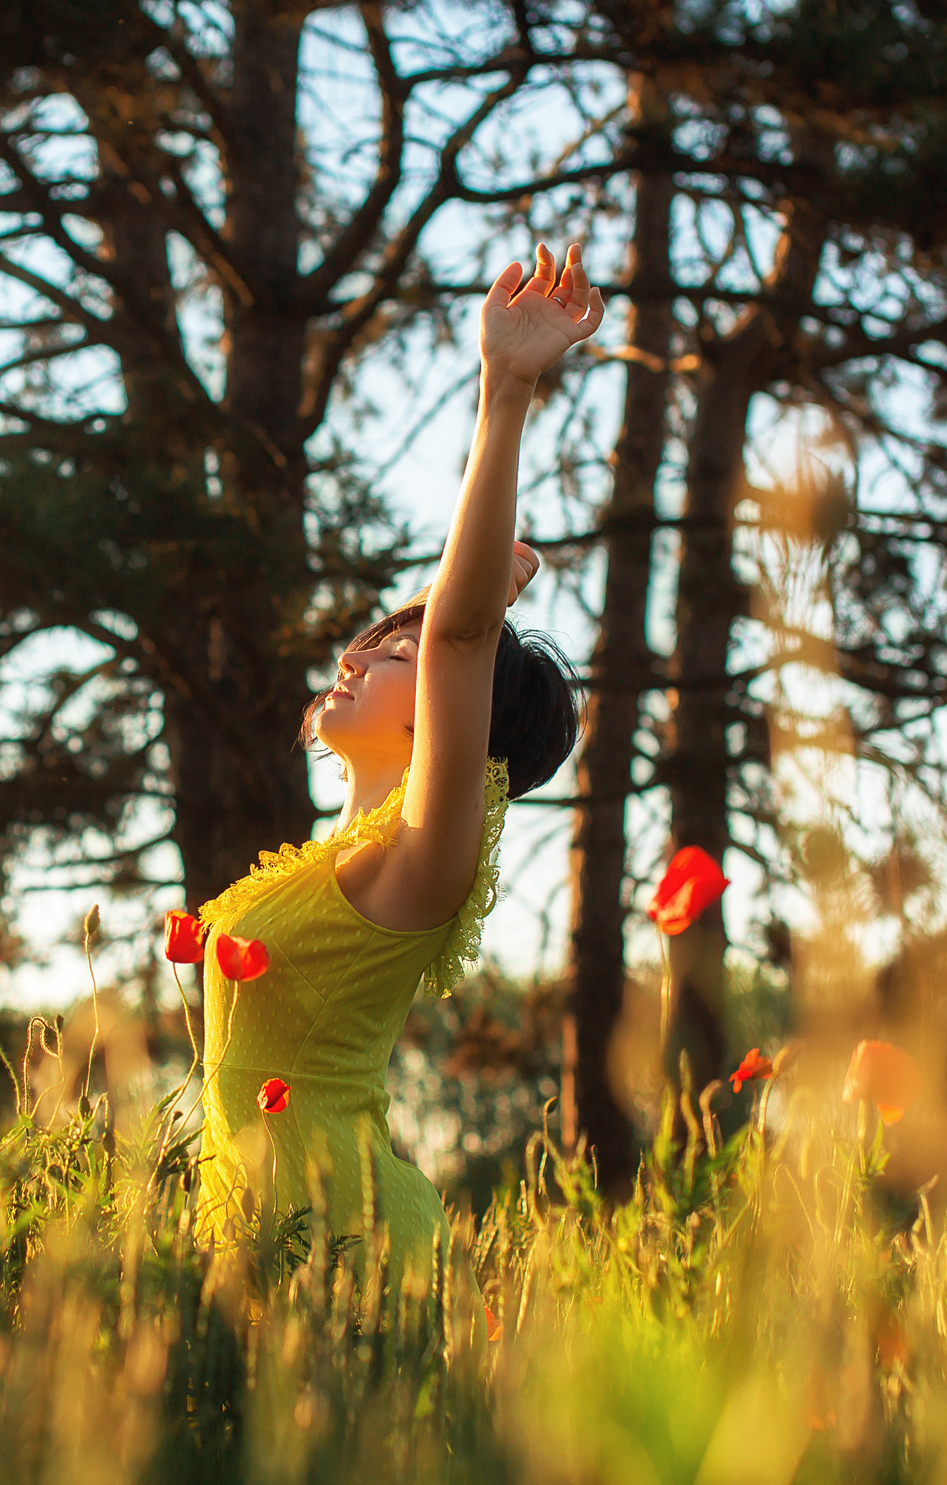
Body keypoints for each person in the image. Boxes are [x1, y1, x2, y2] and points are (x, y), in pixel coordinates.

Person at [193, 242, 594, 1290]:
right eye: (367, 643)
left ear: (450, 732)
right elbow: (453, 634)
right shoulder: (337, 863)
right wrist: (462, 599)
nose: (354, 656)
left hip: (341, 1250)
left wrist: (503, 391)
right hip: (271, 1241)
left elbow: (459, 645)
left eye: (393, 653)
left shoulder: (422, 862)